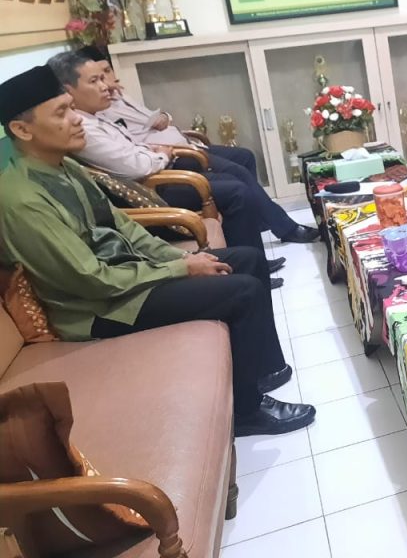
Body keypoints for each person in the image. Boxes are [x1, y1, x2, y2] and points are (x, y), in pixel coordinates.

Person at [0, 66, 316, 437]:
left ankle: (262, 370)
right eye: (61, 112)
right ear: (22, 130)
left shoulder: (65, 166)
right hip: (98, 309)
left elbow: (125, 227)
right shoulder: (22, 200)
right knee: (241, 291)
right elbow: (89, 279)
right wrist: (181, 270)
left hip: (127, 277)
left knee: (246, 258)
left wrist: (180, 258)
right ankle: (246, 412)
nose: (76, 119)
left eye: (71, 107)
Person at [46, 52, 318, 259]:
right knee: (236, 187)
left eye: (105, 74)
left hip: (164, 164)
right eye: (95, 80)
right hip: (152, 187)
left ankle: (256, 246)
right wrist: (161, 154)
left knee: (240, 166)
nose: (106, 84)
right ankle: (254, 254)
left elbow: (146, 131)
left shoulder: (98, 113)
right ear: (69, 91)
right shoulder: (84, 127)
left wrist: (155, 149)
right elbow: (135, 165)